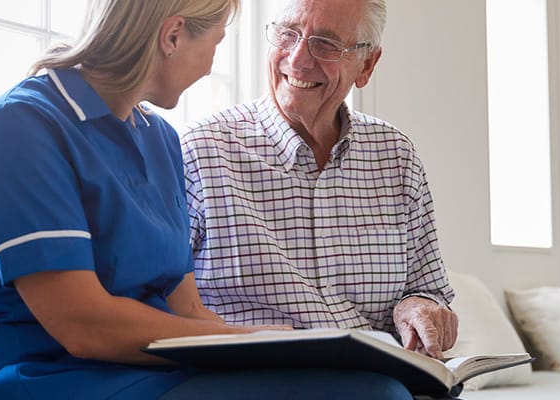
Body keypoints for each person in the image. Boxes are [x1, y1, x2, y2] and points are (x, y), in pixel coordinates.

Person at [0, 0, 412, 398]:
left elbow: (187, 308)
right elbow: (84, 326)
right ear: (173, 35)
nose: (213, 64)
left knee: (376, 387)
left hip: (162, 375)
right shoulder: (21, 126)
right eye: (216, 41)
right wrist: (255, 339)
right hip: (55, 379)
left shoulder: (159, 139)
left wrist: (283, 345)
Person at [182, 0, 459, 361]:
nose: (297, 60)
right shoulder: (201, 152)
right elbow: (154, 301)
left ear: (367, 65)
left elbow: (429, 289)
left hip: (376, 371)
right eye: (287, 33)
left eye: (326, 44)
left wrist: (418, 308)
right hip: (251, 373)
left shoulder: (396, 157)